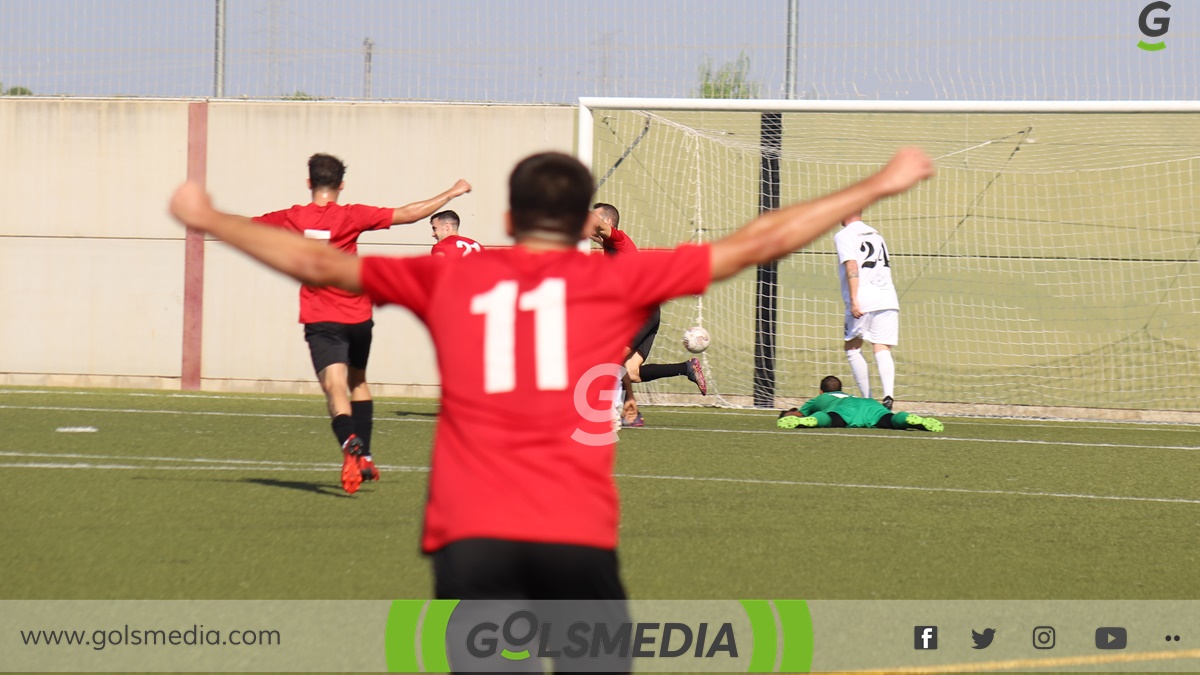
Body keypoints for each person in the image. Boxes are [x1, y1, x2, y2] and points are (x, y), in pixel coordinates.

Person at [169, 147, 932, 613]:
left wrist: (211, 216)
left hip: (469, 539)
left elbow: (317, 261)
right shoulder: (612, 279)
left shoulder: (457, 280)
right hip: (574, 533)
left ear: (504, 213)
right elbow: (753, 242)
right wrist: (880, 183)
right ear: (581, 226)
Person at [253, 153, 471, 494]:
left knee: (334, 386)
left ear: (309, 182)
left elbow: (241, 227)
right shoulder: (352, 215)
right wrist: (451, 193)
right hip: (357, 313)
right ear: (341, 185)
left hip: (320, 315)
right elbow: (409, 213)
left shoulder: (292, 218)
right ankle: (365, 455)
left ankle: (349, 441)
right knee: (358, 382)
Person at [589, 202, 706, 428]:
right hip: (647, 312)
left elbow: (593, 226)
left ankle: (610, 416)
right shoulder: (610, 246)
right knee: (630, 372)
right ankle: (686, 368)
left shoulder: (619, 238)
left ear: (608, 223)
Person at [834, 209, 900, 410]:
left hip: (863, 296)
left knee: (853, 348)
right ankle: (888, 395)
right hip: (887, 297)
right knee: (881, 347)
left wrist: (854, 299)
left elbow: (852, 266)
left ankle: (868, 399)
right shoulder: (876, 233)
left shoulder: (844, 235)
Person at [777, 375, 943, 432]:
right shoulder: (848, 394)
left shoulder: (819, 399)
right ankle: (909, 419)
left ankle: (811, 422)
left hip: (845, 409)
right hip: (869, 404)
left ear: (822, 391)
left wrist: (786, 415)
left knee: (829, 418)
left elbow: (797, 413)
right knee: (889, 420)